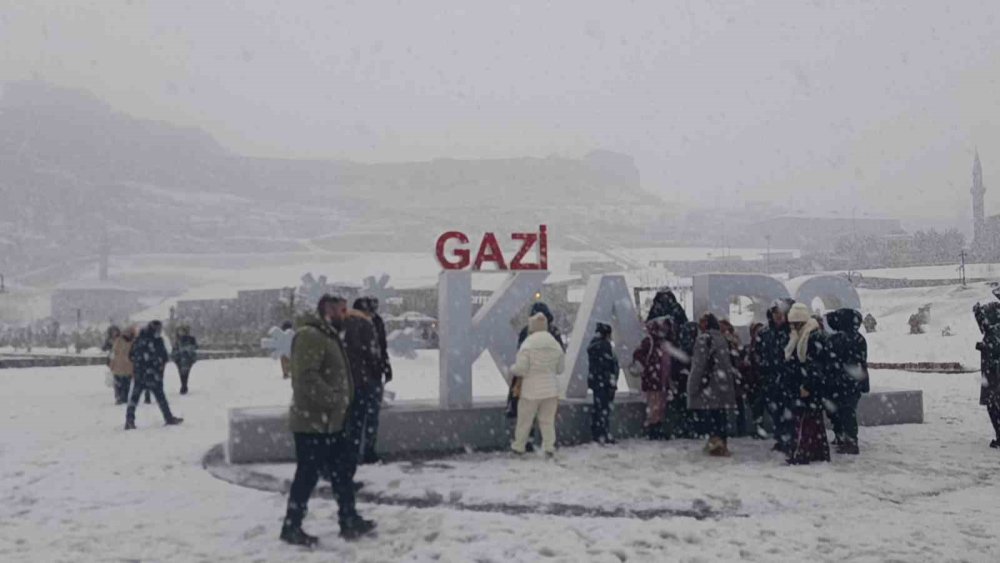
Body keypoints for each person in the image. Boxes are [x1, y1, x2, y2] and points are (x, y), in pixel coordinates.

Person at [281, 295, 375, 547]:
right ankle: (291, 527)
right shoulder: (311, 336)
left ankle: (349, 519)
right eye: (341, 310)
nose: (346, 315)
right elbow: (305, 377)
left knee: (341, 473)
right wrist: (334, 400)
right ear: (328, 310)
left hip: (331, 422)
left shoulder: (329, 335)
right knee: (307, 476)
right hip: (313, 423)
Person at [510, 312, 565, 456]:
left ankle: (518, 447)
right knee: (547, 422)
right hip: (551, 390)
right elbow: (560, 369)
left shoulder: (528, 343)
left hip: (531, 390)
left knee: (524, 422)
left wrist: (512, 368)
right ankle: (549, 448)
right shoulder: (555, 344)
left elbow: (521, 369)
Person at [784, 303, 831, 465]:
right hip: (810, 384)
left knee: (805, 421)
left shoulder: (812, 337)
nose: (792, 327)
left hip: (810, 386)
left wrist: (807, 385)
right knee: (814, 421)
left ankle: (802, 452)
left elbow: (816, 366)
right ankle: (818, 452)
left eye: (794, 324)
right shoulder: (805, 335)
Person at [687, 313, 739, 457]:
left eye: (702, 322)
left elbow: (699, 365)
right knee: (720, 416)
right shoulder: (722, 338)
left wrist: (692, 386)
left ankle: (715, 446)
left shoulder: (704, 339)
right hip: (723, 385)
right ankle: (721, 444)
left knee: (711, 418)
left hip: (708, 385)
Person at [345, 297, 387, 465]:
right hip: (361, 378)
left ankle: (364, 451)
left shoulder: (375, 322)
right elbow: (357, 352)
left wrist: (384, 365)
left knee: (365, 417)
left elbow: (381, 347)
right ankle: (357, 452)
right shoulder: (354, 324)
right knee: (359, 417)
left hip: (371, 376)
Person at [826, 308, 870, 455]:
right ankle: (846, 439)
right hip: (853, 382)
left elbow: (830, 361)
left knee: (841, 412)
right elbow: (861, 362)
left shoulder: (836, 339)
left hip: (839, 383)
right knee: (847, 411)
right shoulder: (859, 339)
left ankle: (847, 440)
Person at [125, 321, 183, 430]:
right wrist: (156, 364)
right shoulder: (156, 341)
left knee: (134, 399)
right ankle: (168, 418)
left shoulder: (139, 340)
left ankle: (129, 420)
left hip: (141, 374)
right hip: (153, 374)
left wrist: (140, 364)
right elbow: (164, 357)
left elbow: (131, 356)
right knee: (160, 398)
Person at [756, 299, 796, 454]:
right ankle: (780, 439)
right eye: (775, 314)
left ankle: (789, 441)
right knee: (776, 412)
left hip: (788, 378)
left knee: (789, 412)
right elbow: (758, 353)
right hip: (770, 378)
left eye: (781, 314)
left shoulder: (792, 333)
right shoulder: (765, 333)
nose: (778, 317)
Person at [634, 317, 674, 440]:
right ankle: (654, 430)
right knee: (655, 406)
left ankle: (656, 429)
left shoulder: (660, 343)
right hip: (655, 380)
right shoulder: (651, 342)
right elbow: (638, 355)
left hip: (658, 380)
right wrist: (648, 369)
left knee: (659, 407)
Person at [587, 322, 619, 444]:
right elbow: (609, 366)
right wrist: (611, 381)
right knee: (603, 409)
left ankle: (597, 433)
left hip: (596, 381)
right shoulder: (605, 346)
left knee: (598, 407)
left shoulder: (593, 345)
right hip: (604, 382)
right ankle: (603, 433)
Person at [973, 302, 1000, 449]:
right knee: (993, 404)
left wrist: (984, 347)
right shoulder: (992, 331)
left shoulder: (993, 332)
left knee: (993, 404)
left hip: (993, 376)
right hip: (991, 375)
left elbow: (994, 351)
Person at [744, 322, 768, 439]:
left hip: (760, 380)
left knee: (759, 406)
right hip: (752, 380)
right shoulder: (751, 347)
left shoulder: (761, 346)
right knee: (756, 407)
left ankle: (760, 429)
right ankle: (758, 428)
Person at [110, 325, 136, 405]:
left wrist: (112, 364)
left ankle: (120, 397)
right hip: (127, 367)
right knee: (125, 384)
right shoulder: (134, 341)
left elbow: (113, 353)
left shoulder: (119, 341)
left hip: (121, 366)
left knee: (119, 384)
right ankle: (122, 397)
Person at [170, 325, 198, 395]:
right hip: (179, 358)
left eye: (182, 331)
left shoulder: (191, 339)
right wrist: (175, 355)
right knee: (181, 372)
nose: (181, 332)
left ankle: (184, 385)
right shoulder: (177, 339)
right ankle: (183, 385)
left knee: (186, 372)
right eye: (180, 331)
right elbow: (174, 348)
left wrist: (187, 349)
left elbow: (195, 347)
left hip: (188, 358)